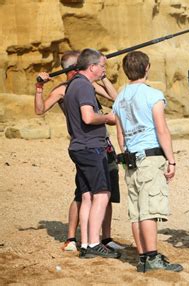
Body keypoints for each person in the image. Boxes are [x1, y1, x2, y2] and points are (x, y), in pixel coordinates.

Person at [34, 51, 124, 252]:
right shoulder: (63, 89)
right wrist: (39, 88)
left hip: (101, 144)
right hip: (86, 145)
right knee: (85, 194)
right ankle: (73, 238)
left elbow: (115, 97)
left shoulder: (88, 83)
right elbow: (40, 110)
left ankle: (104, 238)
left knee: (105, 190)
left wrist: (103, 76)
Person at [113, 51, 183, 272]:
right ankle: (152, 257)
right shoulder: (153, 95)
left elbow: (120, 134)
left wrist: (126, 154)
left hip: (131, 159)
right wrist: (171, 159)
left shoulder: (120, 97)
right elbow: (161, 130)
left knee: (136, 211)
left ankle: (143, 256)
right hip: (150, 158)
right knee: (150, 210)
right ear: (147, 68)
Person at [63, 48, 120, 258]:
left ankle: (86, 244)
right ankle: (95, 242)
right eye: (102, 66)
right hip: (90, 148)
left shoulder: (73, 85)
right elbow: (88, 117)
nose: (103, 70)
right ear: (92, 67)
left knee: (87, 197)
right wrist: (108, 118)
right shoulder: (84, 86)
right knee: (103, 194)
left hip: (79, 147)